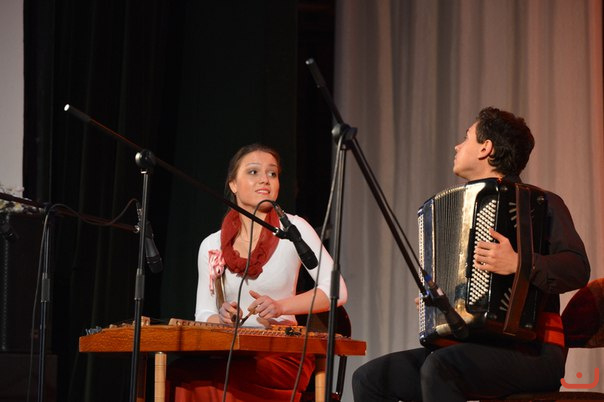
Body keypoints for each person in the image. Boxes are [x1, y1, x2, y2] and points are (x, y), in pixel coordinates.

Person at [352, 107, 591, 401]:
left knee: (440, 368)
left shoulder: (541, 203)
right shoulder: (460, 208)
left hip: (535, 351)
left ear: (485, 148)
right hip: (471, 347)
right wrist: (438, 303)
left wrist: (518, 263)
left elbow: (577, 268)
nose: (457, 146)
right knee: (370, 378)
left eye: (466, 138)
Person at [167, 143, 348, 402]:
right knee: (180, 374)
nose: (265, 179)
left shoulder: (293, 229)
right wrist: (222, 318)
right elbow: (203, 313)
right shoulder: (211, 244)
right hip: (233, 352)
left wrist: (281, 306)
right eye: (253, 172)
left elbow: (336, 290)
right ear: (233, 184)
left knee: (217, 379)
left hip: (282, 354)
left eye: (272, 173)